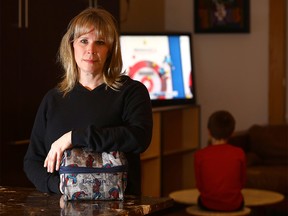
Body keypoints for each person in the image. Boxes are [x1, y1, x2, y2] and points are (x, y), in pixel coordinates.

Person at [23, 8, 153, 196]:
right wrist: (59, 186)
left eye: (100, 42)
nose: (90, 50)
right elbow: (32, 161)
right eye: (84, 41)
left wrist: (74, 137)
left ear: (110, 50)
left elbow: (139, 138)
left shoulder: (131, 91)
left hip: (118, 208)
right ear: (71, 45)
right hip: (62, 207)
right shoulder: (53, 99)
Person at [194, 110, 246, 211]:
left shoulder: (199, 155)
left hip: (207, 205)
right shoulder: (239, 153)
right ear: (232, 133)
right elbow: (242, 182)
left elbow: (200, 186)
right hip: (235, 205)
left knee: (200, 200)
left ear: (209, 131)